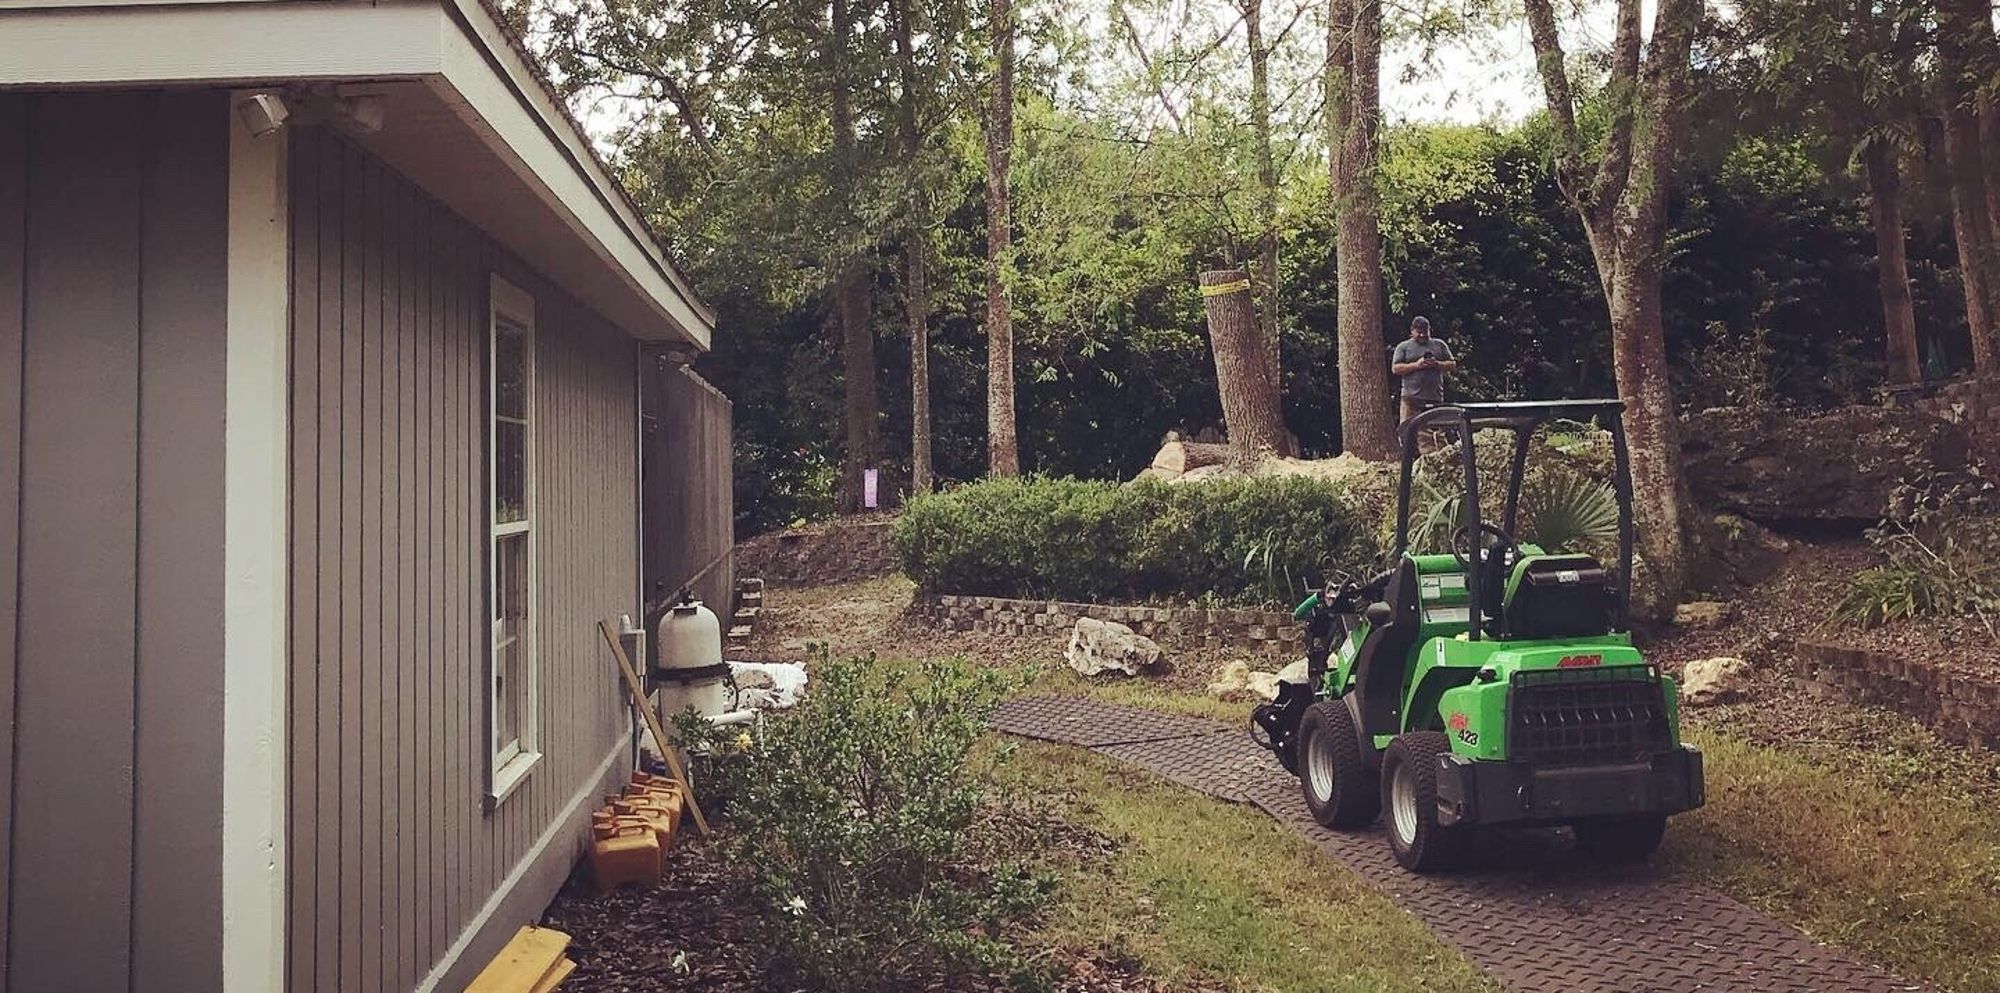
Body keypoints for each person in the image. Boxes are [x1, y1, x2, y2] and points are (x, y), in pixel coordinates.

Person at [1390, 316, 1457, 424]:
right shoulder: (1403, 347)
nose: (1422, 335)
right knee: (1408, 430)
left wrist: (1437, 364)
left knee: (1435, 431)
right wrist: (1416, 365)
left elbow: (1452, 365)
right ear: (1412, 331)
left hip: (1434, 398)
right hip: (1411, 399)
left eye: (1425, 332)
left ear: (1429, 330)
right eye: (1419, 332)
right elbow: (1396, 369)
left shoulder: (1439, 344)